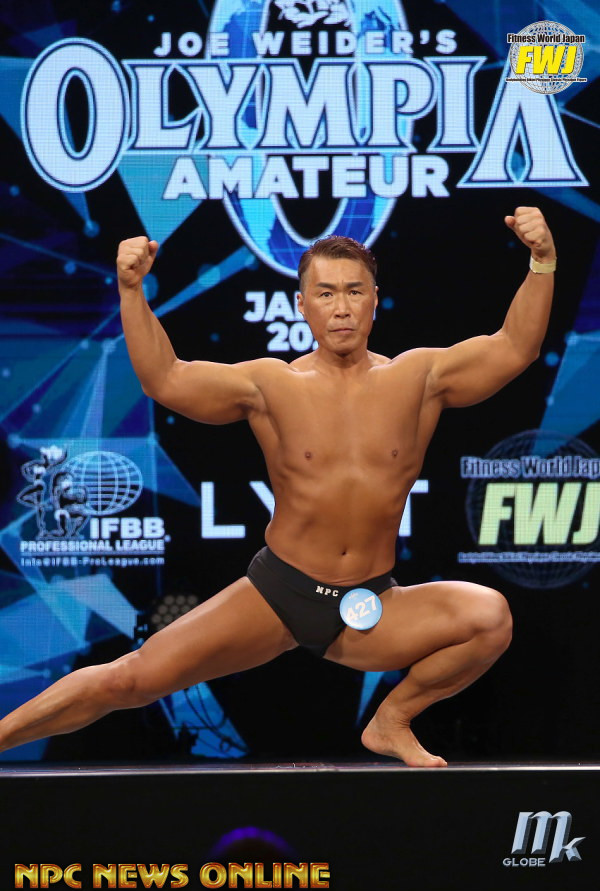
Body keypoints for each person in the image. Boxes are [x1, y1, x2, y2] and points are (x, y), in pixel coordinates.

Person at [0, 208, 556, 767]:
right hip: (278, 594)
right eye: (326, 293)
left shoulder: (420, 378)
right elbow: (165, 378)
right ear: (302, 305)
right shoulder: (271, 384)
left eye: (354, 291)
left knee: (490, 617)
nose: (341, 307)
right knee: (129, 679)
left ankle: (392, 720)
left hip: (369, 605)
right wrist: (130, 290)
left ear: (374, 299)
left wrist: (542, 261)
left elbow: (515, 347)